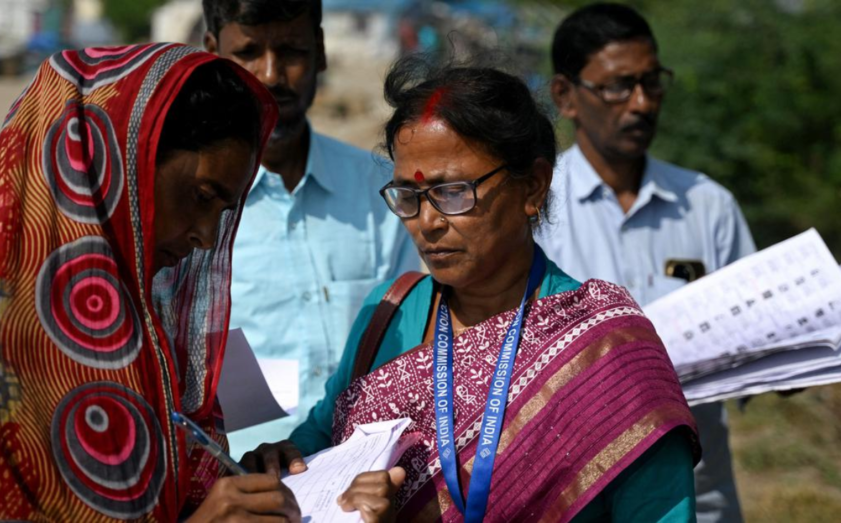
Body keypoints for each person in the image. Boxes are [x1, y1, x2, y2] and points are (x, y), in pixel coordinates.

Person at [288, 55, 701, 521]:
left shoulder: (606, 349)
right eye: (409, 196)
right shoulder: (390, 313)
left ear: (533, 188)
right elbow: (319, 440)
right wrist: (285, 462)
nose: (427, 222)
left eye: (453, 192)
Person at [0, 43, 306, 521]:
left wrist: (244, 478)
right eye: (199, 196)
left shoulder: (155, 345)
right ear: (115, 168)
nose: (205, 237)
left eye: (222, 213)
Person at [536, 4, 755, 522]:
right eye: (618, 86)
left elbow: (758, 336)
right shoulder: (536, 210)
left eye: (652, 83)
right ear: (565, 96)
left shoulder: (708, 204)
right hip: (578, 504)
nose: (641, 103)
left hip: (701, 501)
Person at [201, 0, 419, 455]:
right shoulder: (197, 206)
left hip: (371, 468)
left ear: (319, 51)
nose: (271, 76)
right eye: (248, 53)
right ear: (212, 54)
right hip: (245, 476)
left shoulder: (379, 188)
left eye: (291, 51)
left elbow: (407, 331)